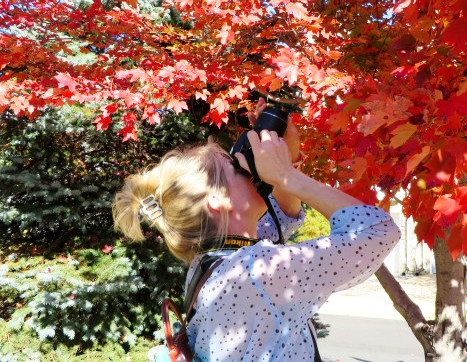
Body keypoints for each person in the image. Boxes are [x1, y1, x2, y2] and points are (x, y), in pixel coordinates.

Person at [112, 101, 401, 362]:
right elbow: (376, 231)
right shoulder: (253, 272)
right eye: (235, 167)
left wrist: (288, 157)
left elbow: (282, 219)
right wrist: (286, 175)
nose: (248, 168)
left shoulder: (215, 261)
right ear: (217, 201)